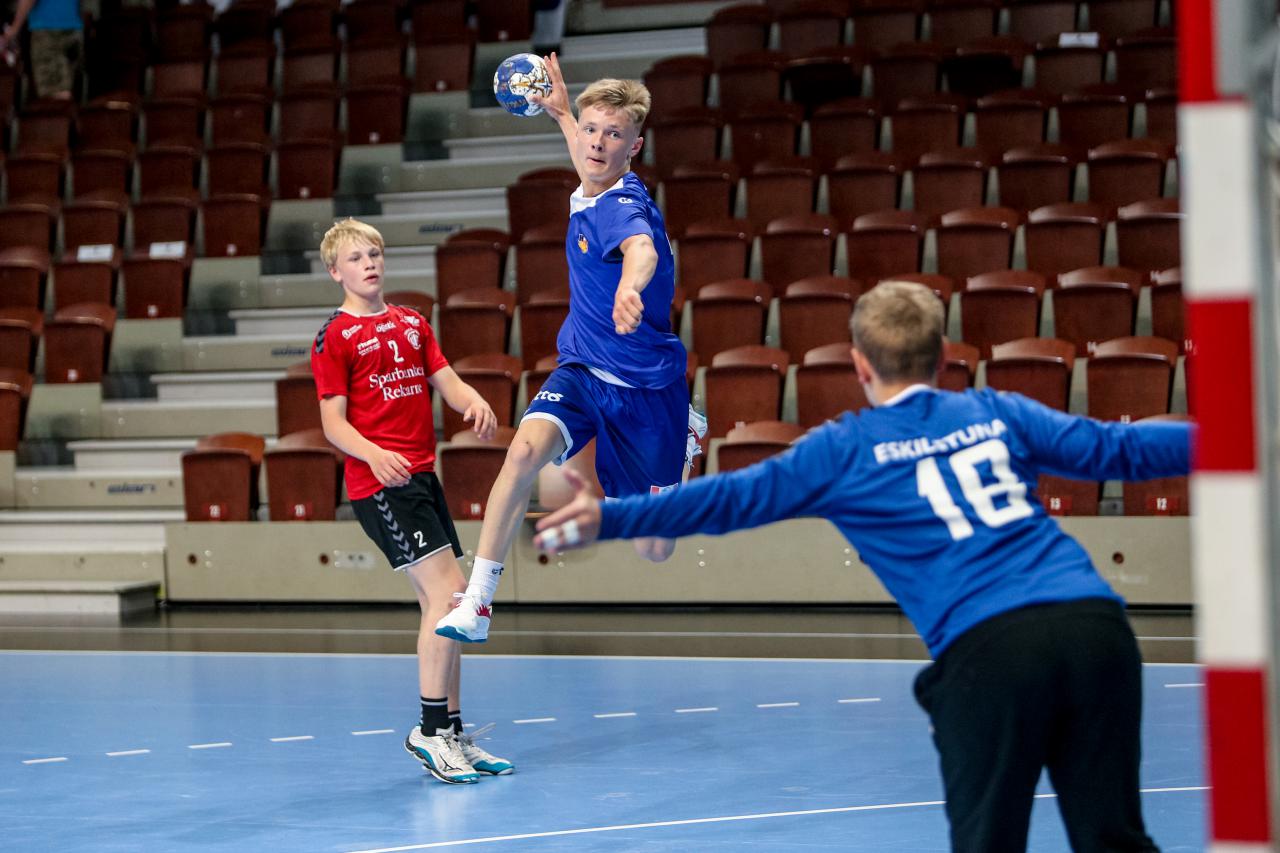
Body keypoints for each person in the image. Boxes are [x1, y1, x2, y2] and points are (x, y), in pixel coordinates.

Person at [533, 280, 1192, 852]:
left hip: (990, 653)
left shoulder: (846, 449)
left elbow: (730, 499)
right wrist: (1232, 436)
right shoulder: (996, 411)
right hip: (1095, 627)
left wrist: (612, 518)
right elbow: (1125, 448)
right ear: (943, 356)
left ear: (859, 365)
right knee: (1115, 839)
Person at [434, 55, 704, 644]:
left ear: (635, 147)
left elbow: (640, 249)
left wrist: (630, 288)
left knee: (654, 548)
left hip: (646, 388)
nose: (598, 143)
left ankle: (683, 443)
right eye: (591, 130)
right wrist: (562, 114)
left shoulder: (623, 206)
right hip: (581, 367)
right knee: (522, 453)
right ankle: (477, 602)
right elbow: (587, 160)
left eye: (614, 135)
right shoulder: (591, 182)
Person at [310, 218, 514, 785]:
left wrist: (472, 401)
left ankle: (451, 732)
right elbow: (332, 423)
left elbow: (444, 378)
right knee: (449, 596)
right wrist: (374, 455)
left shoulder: (412, 322)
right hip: (381, 485)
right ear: (336, 272)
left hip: (422, 478)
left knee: (453, 601)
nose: (369, 264)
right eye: (356, 258)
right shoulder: (334, 337)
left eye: (374, 253)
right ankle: (429, 731)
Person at [0, 0, 81, 100]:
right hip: (73, 27)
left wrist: (14, 29)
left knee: (54, 92)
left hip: (48, 29)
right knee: (66, 87)